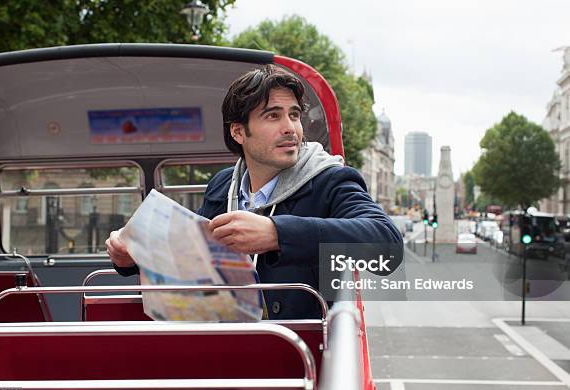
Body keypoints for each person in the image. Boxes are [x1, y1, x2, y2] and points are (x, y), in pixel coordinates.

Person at [106, 64, 403, 319]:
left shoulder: (330, 180)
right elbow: (189, 257)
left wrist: (277, 233)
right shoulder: (223, 185)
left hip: (300, 355)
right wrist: (132, 255)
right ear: (238, 132)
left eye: (295, 115)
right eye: (273, 116)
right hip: (227, 343)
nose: (291, 129)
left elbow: (388, 246)